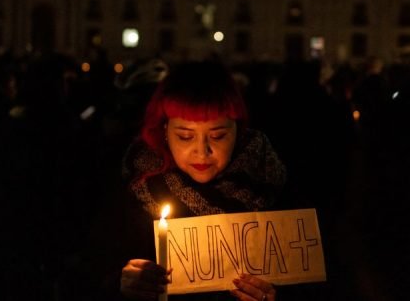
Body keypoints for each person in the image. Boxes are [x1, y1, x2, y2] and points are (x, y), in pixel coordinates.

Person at [109, 61, 289, 301]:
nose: (202, 152)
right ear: (165, 130)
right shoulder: (137, 188)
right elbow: (88, 274)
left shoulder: (271, 183)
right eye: (185, 136)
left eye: (218, 135)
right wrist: (121, 284)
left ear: (238, 131)